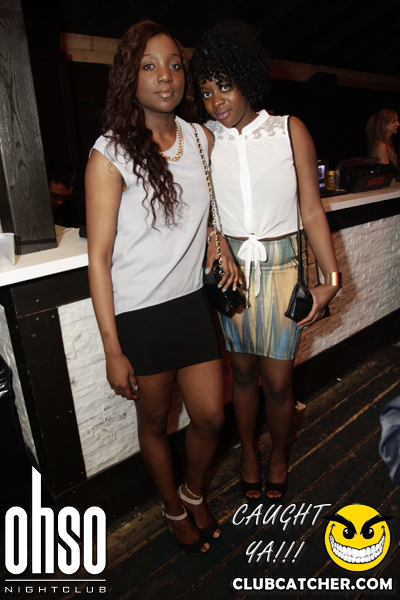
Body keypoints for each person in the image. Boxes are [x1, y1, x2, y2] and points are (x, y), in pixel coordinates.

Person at [85, 20, 239, 554]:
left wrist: (218, 242)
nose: (166, 76)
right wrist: (112, 349)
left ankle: (193, 490)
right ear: (130, 77)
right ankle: (173, 508)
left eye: (175, 65)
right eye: (149, 66)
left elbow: (212, 209)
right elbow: (99, 259)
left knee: (211, 417)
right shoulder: (110, 153)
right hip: (140, 315)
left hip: (191, 304)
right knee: (154, 422)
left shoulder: (200, 138)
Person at [192, 20, 341, 501]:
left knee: (278, 381)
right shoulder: (204, 139)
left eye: (225, 86)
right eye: (207, 92)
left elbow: (312, 211)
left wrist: (331, 280)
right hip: (232, 272)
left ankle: (278, 454)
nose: (217, 101)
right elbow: (199, 208)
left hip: (282, 268)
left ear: (247, 78)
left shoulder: (289, 130)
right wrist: (216, 239)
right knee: (242, 376)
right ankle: (249, 455)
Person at [46, 159, 80, 226]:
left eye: (66, 197)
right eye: (55, 196)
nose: (60, 202)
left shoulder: (72, 206)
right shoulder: (36, 209)